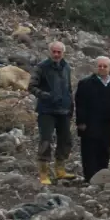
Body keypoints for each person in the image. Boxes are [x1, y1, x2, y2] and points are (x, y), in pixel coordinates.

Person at [27, 40, 75, 185]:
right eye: (54, 51)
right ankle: (43, 172)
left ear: (63, 53)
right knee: (46, 140)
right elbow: (31, 86)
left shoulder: (66, 67)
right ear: (50, 52)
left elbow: (68, 88)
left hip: (64, 109)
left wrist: (71, 105)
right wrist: (44, 95)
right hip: (46, 110)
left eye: (59, 52)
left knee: (65, 139)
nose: (56, 54)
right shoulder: (41, 67)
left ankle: (60, 169)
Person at [74, 56, 110, 183]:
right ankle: (89, 178)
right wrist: (81, 122)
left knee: (104, 150)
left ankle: (102, 177)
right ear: (96, 67)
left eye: (105, 66)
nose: (102, 68)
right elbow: (80, 104)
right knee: (89, 151)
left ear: (109, 68)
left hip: (106, 124)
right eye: (99, 66)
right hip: (89, 123)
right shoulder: (85, 83)